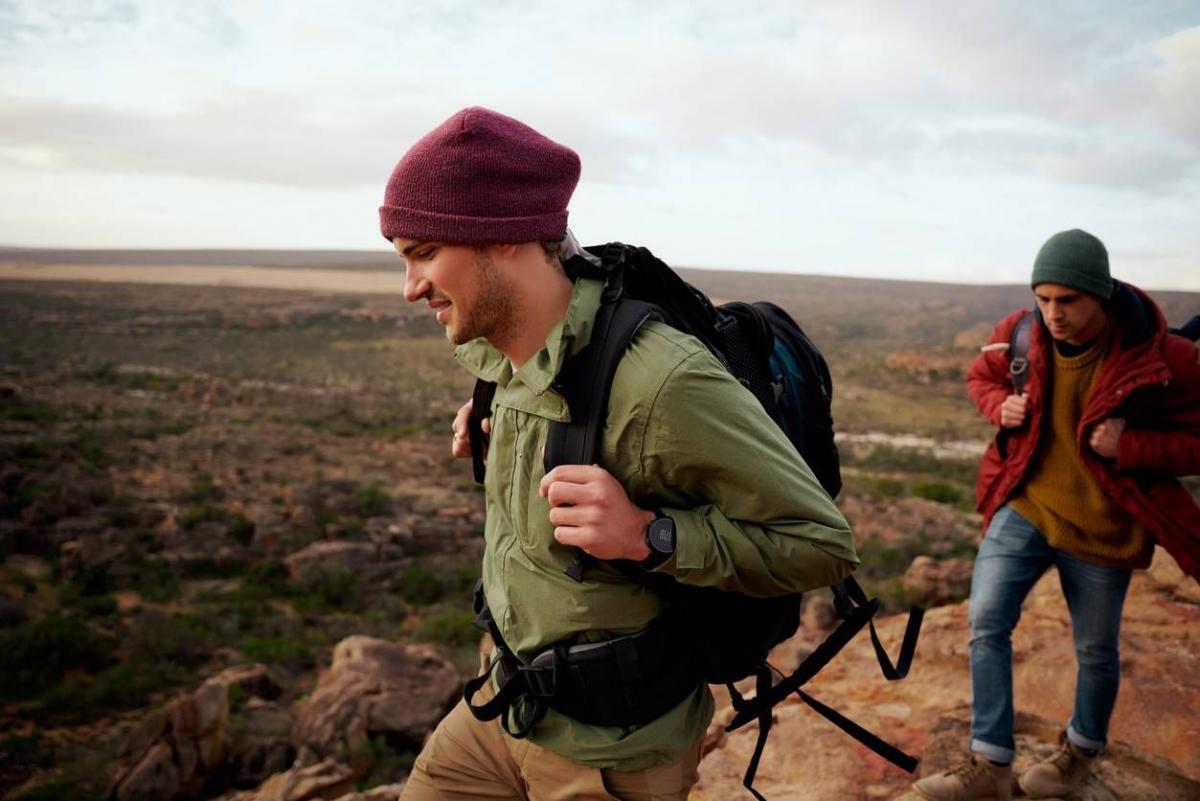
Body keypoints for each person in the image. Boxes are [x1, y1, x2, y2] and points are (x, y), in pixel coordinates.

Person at [380, 106, 860, 801]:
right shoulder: (499, 351)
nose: (410, 286)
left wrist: (649, 534)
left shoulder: (663, 380)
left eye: (424, 253)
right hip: (503, 706)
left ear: (506, 238)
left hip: (614, 753)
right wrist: (491, 415)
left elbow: (822, 544)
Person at [913, 229, 1200, 801]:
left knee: (1095, 650)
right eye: (1044, 299)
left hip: (1103, 522)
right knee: (986, 620)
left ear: (1101, 295)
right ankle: (990, 764)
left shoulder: (1164, 358)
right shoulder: (1020, 334)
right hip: (1027, 503)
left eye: (1067, 300)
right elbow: (980, 377)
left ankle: (1080, 752)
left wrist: (1133, 445)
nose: (1052, 314)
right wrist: (1001, 405)